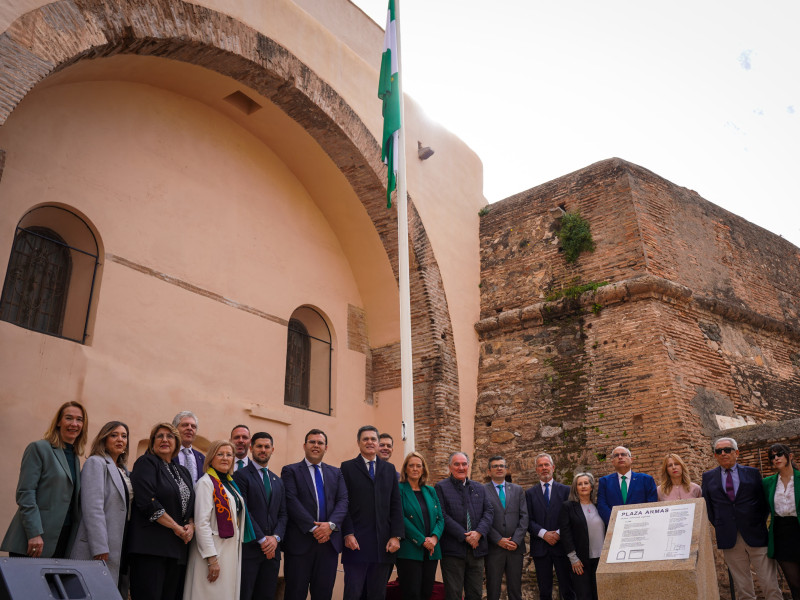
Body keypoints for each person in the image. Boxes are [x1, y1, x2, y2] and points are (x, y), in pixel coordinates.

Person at [2, 401, 87, 559]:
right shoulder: (39, 448)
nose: (74, 424)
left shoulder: (75, 457)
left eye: (79, 419)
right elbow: (25, 493)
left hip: (62, 537)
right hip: (33, 540)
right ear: (58, 422)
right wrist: (34, 533)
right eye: (69, 418)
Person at [701, 437, 782, 600]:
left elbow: (763, 502)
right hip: (729, 536)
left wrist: (757, 522)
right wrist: (720, 525)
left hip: (756, 534)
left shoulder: (752, 473)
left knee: (770, 584)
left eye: (727, 450)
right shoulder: (708, 477)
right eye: (719, 451)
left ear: (736, 452)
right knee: (743, 588)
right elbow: (709, 507)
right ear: (715, 455)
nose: (723, 454)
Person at [128, 422, 195, 600]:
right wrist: (176, 527)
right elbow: (147, 502)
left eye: (170, 436)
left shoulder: (182, 471)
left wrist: (191, 525)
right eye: (160, 436)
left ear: (177, 442)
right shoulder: (146, 462)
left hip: (177, 549)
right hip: (151, 549)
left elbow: (190, 505)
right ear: (152, 442)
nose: (165, 440)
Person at [281, 429, 349, 600]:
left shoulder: (336, 473)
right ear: (305, 445)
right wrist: (314, 528)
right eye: (312, 442)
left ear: (326, 447)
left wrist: (330, 526)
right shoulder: (290, 471)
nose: (316, 446)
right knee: (295, 594)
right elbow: (291, 501)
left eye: (320, 443)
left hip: (328, 546)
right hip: (300, 545)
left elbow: (343, 501)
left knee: (324, 595)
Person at [184, 440, 254, 600]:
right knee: (208, 593)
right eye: (220, 454)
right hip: (212, 551)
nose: (225, 458)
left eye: (229, 455)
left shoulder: (230, 483)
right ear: (211, 458)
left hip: (230, 550)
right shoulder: (206, 483)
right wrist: (211, 558)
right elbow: (201, 523)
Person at [340, 425, 403, 600]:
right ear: (358, 443)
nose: (370, 442)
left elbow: (396, 505)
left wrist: (396, 536)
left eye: (373, 439)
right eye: (365, 439)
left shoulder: (389, 470)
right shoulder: (347, 468)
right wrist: (348, 533)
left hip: (383, 545)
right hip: (355, 544)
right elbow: (343, 504)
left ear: (377, 443)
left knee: (377, 594)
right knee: (353, 593)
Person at [70, 421, 132, 592]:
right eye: (114, 435)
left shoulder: (124, 470)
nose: (120, 439)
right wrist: (100, 547)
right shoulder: (96, 463)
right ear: (104, 439)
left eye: (124, 436)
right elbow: (93, 507)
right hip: (99, 546)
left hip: (121, 542)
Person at [233, 432, 287, 600]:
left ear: (272, 450)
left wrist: (275, 538)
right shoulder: (240, 476)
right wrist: (263, 540)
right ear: (251, 448)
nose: (263, 450)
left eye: (267, 447)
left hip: (272, 553)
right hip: (250, 549)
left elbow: (283, 514)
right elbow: (244, 510)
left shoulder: (277, 480)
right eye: (259, 446)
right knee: (245, 594)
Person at [435, 451, 493, 600]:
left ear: (468, 466)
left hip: (477, 549)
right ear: (449, 467)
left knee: (475, 594)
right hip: (453, 551)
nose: (461, 467)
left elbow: (489, 512)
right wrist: (465, 536)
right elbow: (442, 515)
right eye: (457, 464)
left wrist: (478, 533)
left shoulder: (479, 488)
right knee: (453, 594)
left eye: (464, 464)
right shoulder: (441, 487)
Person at [526, 453, 574, 600]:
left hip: (562, 546)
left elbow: (570, 516)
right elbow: (527, 520)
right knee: (544, 591)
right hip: (541, 548)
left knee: (568, 589)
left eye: (546, 465)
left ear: (553, 467)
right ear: (536, 470)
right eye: (540, 465)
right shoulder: (529, 493)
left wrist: (558, 533)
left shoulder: (566, 490)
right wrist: (544, 534)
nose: (544, 468)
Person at [396, 451, 444, 600]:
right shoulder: (399, 490)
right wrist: (422, 540)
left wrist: (434, 539)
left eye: (419, 466)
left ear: (423, 469)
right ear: (405, 469)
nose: (415, 469)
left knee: (426, 593)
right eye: (411, 466)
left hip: (431, 551)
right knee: (412, 594)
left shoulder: (430, 491)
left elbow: (440, 519)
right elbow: (400, 518)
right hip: (409, 549)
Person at [484, 456, 528, 600]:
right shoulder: (482, 490)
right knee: (493, 589)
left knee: (515, 590)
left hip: (515, 548)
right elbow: (482, 519)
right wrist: (498, 539)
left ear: (506, 469)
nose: (499, 468)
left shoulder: (517, 490)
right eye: (495, 466)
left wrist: (516, 540)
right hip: (494, 548)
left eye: (502, 466)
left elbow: (524, 517)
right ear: (489, 471)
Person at [559, 473, 605, 600]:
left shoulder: (599, 506)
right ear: (575, 488)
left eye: (586, 483)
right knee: (584, 595)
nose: (583, 486)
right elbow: (565, 533)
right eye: (579, 484)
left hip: (601, 560)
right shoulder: (568, 507)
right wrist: (573, 558)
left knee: (600, 594)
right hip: (580, 561)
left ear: (591, 486)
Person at [763, 443, 800, 599]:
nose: (776, 458)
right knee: (794, 583)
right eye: (772, 456)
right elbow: (763, 508)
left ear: (790, 456)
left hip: (798, 528)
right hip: (781, 534)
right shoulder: (768, 482)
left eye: (779, 454)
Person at [596, 446, 658, 524]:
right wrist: (615, 522)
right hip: (615, 527)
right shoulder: (604, 481)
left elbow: (652, 504)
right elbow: (602, 506)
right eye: (616, 455)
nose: (620, 457)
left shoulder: (646, 480)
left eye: (623, 454)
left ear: (631, 459)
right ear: (612, 462)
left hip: (641, 526)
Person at [172, 411, 204, 484]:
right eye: (185, 425)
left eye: (193, 426)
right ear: (174, 429)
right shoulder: (166, 453)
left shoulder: (202, 458)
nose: (190, 428)